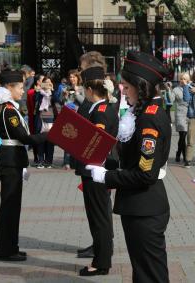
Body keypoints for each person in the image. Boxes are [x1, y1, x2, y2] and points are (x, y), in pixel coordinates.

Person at [86, 51, 171, 282]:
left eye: (125, 85)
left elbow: (145, 174)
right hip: (140, 205)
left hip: (145, 205)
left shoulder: (149, 118)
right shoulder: (143, 113)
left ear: (140, 86)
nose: (121, 90)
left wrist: (107, 177)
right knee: (144, 272)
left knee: (149, 275)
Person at [0, 70, 47, 261]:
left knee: (13, 206)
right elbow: (24, 137)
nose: (23, 91)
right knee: (9, 205)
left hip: (13, 159)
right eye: (19, 87)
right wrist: (48, 135)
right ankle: (7, 250)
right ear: (9, 88)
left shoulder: (11, 108)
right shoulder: (9, 111)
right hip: (10, 160)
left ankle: (11, 247)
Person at [75, 66, 118, 276]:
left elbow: (97, 143)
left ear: (90, 89)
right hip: (96, 170)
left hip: (96, 171)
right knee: (98, 216)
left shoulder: (100, 111)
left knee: (99, 218)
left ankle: (101, 263)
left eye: (84, 88)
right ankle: (102, 259)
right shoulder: (100, 108)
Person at [34, 76, 57, 169]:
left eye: (49, 82)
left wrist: (51, 90)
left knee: (50, 141)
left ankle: (49, 161)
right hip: (41, 118)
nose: (47, 84)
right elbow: (35, 100)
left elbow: (57, 101)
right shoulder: (39, 93)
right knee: (40, 140)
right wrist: (39, 90)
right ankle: (40, 161)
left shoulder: (53, 93)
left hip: (50, 118)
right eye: (45, 82)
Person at [172, 73, 190, 163]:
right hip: (179, 115)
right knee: (182, 135)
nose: (182, 80)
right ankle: (186, 157)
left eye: (185, 79)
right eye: (181, 79)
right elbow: (171, 100)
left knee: (183, 136)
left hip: (188, 114)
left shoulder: (190, 88)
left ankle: (178, 153)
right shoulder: (176, 89)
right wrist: (168, 90)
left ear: (188, 80)